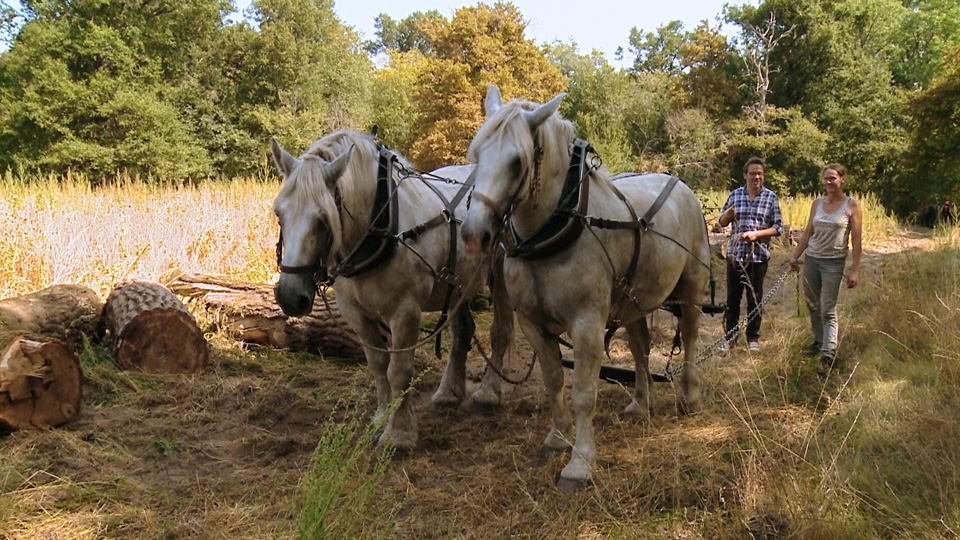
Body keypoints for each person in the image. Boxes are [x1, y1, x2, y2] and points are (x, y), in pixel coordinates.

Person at [789, 163, 862, 374]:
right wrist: (795, 256)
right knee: (812, 303)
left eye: (833, 178)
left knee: (828, 308)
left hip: (833, 262)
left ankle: (828, 353)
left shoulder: (852, 206)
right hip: (812, 259)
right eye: (826, 179)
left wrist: (854, 270)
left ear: (842, 180)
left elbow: (856, 242)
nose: (829, 182)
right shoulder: (817, 204)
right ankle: (818, 340)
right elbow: (808, 232)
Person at [718, 157, 783, 352]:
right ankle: (730, 338)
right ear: (745, 175)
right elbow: (721, 222)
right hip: (735, 256)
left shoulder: (771, 197)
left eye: (760, 174)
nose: (757, 177)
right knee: (732, 299)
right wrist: (727, 216)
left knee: (754, 299)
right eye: (753, 173)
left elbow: (778, 227)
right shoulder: (735, 195)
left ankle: (753, 338)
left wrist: (757, 235)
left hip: (758, 257)